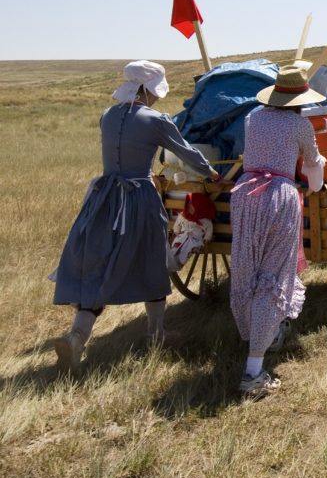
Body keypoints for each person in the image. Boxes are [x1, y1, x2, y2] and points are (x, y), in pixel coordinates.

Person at [51, 61, 219, 373]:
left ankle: (76, 338)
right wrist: (212, 173)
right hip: (138, 198)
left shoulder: (108, 116)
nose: (157, 97)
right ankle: (156, 336)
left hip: (103, 199)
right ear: (147, 89)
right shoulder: (156, 120)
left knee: (99, 262)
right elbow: (186, 152)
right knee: (151, 260)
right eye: (155, 91)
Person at [230, 64, 326, 399]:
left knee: (247, 269)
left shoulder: (252, 118)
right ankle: (253, 370)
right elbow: (314, 166)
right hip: (278, 198)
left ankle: (259, 333)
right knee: (273, 274)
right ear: (301, 97)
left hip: (244, 194)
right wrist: (316, 184)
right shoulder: (300, 124)